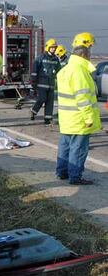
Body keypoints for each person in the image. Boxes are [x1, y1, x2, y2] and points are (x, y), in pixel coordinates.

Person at [55, 32, 101, 185]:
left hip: (67, 118)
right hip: (79, 119)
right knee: (79, 149)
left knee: (65, 146)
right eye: (90, 49)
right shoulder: (80, 71)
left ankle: (62, 172)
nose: (91, 53)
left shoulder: (65, 70)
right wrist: (88, 118)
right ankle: (75, 176)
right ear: (85, 51)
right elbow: (83, 98)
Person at [30, 39, 61, 124]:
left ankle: (47, 118)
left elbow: (60, 71)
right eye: (52, 47)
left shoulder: (56, 59)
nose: (54, 49)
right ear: (48, 47)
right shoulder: (41, 58)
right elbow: (34, 70)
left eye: (55, 48)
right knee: (42, 99)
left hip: (51, 84)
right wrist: (33, 81)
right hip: (41, 84)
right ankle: (33, 111)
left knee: (50, 102)